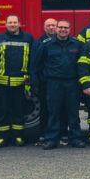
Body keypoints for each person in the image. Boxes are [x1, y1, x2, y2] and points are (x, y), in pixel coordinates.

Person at [30, 19, 84, 150]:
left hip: (72, 83)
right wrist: (37, 82)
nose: (63, 30)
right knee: (53, 112)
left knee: (73, 112)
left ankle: (76, 138)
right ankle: (51, 139)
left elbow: (82, 64)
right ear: (56, 29)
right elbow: (37, 64)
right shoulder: (46, 45)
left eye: (66, 28)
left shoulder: (77, 44)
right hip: (54, 83)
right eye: (60, 27)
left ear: (69, 29)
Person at [0, 15, 35, 147]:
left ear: (19, 24)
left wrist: (30, 79)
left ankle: (18, 137)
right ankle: (2, 138)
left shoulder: (28, 38)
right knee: (2, 110)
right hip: (1, 83)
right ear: (6, 24)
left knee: (19, 111)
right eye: (10, 22)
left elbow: (32, 58)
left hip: (20, 83)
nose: (12, 25)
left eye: (15, 22)